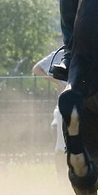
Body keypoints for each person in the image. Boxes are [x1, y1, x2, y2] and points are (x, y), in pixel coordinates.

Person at [33, 50, 67, 178]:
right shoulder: (61, 53)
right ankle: (61, 178)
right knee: (60, 146)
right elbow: (37, 69)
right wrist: (58, 82)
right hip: (64, 108)